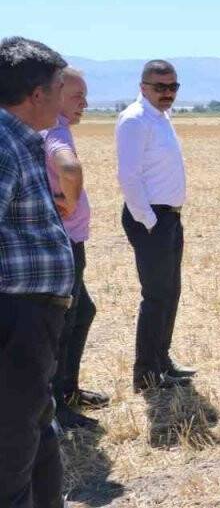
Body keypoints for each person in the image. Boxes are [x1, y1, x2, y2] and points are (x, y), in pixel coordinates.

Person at [0, 36, 75, 507]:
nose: (67, 98)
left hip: (31, 318)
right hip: (16, 317)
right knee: (13, 444)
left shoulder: (19, 139)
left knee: (36, 431)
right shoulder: (5, 145)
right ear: (36, 95)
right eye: (60, 87)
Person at [117, 59, 196, 392]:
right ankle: (146, 374)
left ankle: (161, 361)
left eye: (172, 87)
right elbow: (128, 177)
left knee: (170, 293)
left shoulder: (161, 117)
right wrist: (149, 221)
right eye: (159, 87)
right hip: (151, 218)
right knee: (156, 296)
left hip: (169, 217)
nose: (167, 93)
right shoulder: (134, 120)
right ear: (143, 87)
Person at [43, 67, 109, 429]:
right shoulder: (55, 130)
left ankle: (67, 391)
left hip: (70, 239)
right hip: (65, 242)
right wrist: (67, 196)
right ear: (55, 95)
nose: (84, 104)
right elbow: (68, 166)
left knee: (82, 313)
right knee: (65, 321)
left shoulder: (52, 126)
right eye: (77, 97)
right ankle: (56, 404)